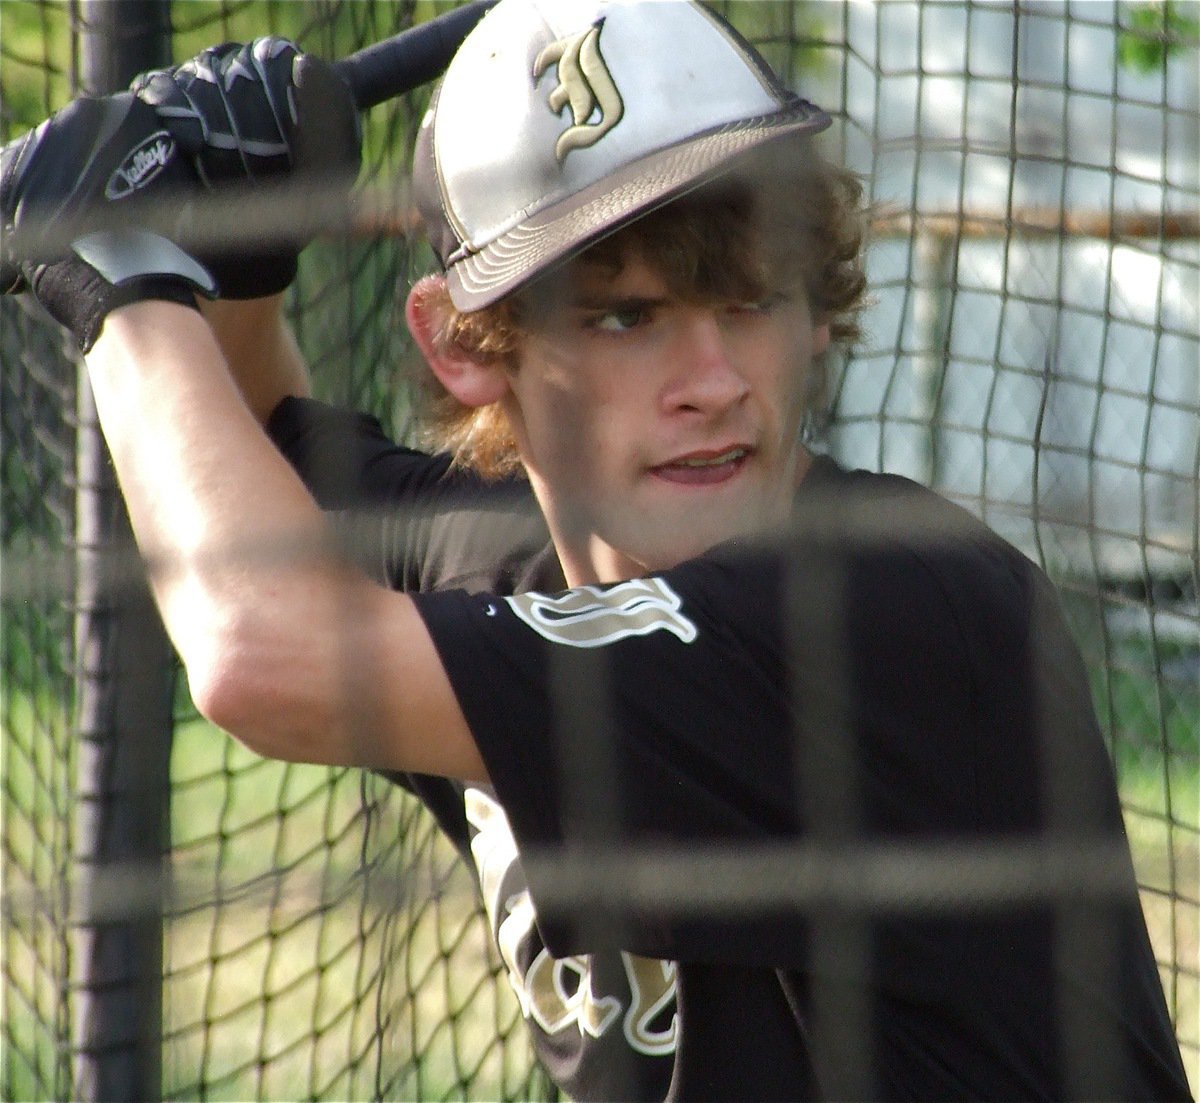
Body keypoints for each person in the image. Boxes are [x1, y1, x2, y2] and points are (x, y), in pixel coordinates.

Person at [2, 1, 1192, 1099]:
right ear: (465, 344)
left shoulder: (896, 606)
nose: (716, 385)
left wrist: (120, 272)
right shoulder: (524, 573)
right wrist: (241, 254)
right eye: (625, 318)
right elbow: (264, 475)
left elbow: (262, 649)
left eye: (751, 300)